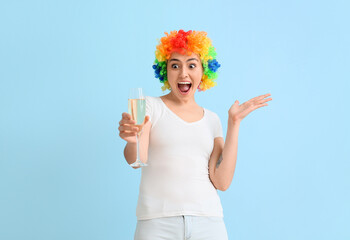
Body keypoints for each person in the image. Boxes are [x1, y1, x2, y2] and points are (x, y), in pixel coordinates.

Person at [118, 29, 272, 240]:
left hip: (208, 222)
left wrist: (234, 123)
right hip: (157, 223)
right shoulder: (149, 106)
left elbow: (222, 181)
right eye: (175, 65)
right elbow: (137, 159)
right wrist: (131, 140)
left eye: (191, 65)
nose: (183, 73)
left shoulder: (212, 119)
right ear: (165, 71)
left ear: (204, 71)